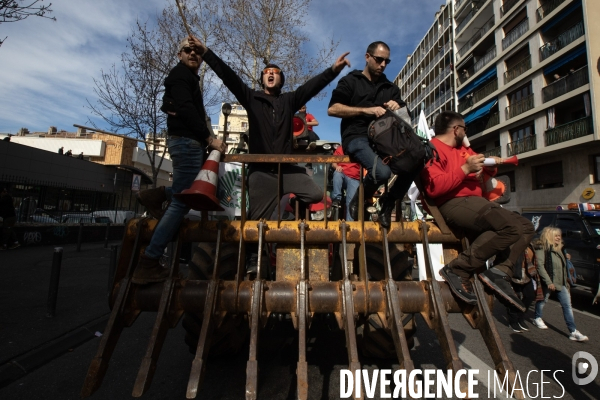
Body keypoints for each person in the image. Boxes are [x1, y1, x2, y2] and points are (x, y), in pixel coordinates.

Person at [188, 35, 350, 274]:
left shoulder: (289, 100)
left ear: (281, 79)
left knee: (315, 193)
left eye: (275, 72)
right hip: (262, 172)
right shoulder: (251, 98)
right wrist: (207, 52)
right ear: (262, 78)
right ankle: (255, 259)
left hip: (286, 170)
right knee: (255, 221)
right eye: (267, 72)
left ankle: (296, 223)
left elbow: (312, 86)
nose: (271, 74)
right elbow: (228, 76)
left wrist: (333, 70)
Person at [131, 37, 226, 284]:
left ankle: (158, 194)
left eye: (197, 51)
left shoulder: (186, 77)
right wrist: (209, 139)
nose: (193, 54)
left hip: (187, 142)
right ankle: (149, 261)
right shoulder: (181, 76)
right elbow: (185, 108)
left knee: (187, 192)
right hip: (187, 142)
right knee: (182, 201)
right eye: (188, 50)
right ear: (179, 54)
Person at [420, 111, 535, 310]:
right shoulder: (430, 149)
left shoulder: (463, 149)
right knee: (511, 226)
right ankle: (457, 269)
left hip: (475, 202)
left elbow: (479, 166)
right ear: (456, 130)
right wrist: (465, 169)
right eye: (465, 129)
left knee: (525, 227)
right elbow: (434, 187)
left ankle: (500, 272)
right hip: (453, 202)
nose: (466, 133)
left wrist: (488, 168)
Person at [328, 41, 410, 228]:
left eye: (386, 62)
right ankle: (359, 199)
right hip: (356, 137)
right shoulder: (351, 81)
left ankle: (386, 204)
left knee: (415, 161)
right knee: (382, 172)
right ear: (367, 57)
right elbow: (333, 109)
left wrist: (398, 108)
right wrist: (367, 110)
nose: (383, 65)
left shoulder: (390, 88)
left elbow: (406, 116)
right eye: (379, 59)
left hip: (384, 140)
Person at [532, 227, 588, 341]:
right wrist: (548, 282)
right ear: (549, 236)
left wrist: (565, 258)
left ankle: (573, 331)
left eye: (559, 235)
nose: (559, 237)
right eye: (556, 235)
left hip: (561, 282)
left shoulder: (561, 249)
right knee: (543, 300)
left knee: (567, 306)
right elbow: (540, 266)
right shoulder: (541, 248)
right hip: (548, 281)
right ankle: (537, 317)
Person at [507, 243, 538, 332]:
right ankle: (513, 321)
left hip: (527, 274)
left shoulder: (531, 245)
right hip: (514, 274)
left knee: (530, 296)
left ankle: (520, 317)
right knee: (515, 298)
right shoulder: (514, 243)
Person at [330, 146, 360, 221]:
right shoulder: (340, 149)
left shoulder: (359, 148)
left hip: (355, 178)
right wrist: (337, 166)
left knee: (351, 203)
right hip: (342, 174)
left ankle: (349, 224)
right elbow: (333, 162)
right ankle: (337, 199)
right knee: (337, 173)